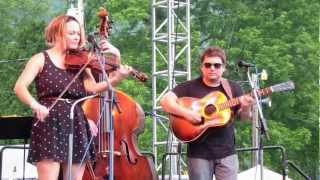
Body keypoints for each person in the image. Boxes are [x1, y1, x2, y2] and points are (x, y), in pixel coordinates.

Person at [14, 15, 132, 180]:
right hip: (50, 122)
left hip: (76, 121)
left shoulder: (80, 61)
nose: (77, 37)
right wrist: (35, 105)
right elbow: (19, 87)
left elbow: (93, 88)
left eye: (78, 33)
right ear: (57, 33)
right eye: (71, 33)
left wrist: (116, 78)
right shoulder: (40, 59)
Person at [160, 47, 255, 180]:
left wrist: (246, 107)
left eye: (217, 65)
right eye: (208, 65)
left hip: (227, 152)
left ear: (224, 68)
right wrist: (188, 114)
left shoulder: (233, 88)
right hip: (198, 154)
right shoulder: (189, 87)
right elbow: (165, 101)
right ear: (202, 67)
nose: (212, 68)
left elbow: (243, 118)